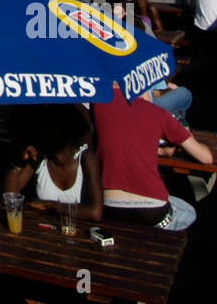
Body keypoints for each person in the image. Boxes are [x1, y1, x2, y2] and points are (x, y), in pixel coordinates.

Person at [92, 84, 214, 231]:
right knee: (188, 212)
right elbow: (206, 158)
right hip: (151, 210)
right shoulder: (159, 113)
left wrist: (162, 153)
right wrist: (186, 132)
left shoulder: (99, 104)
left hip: (109, 206)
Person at [103, 0, 192, 125]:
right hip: (136, 108)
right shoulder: (110, 33)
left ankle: (172, 130)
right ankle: (173, 132)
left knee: (173, 90)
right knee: (184, 94)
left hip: (122, 104)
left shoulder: (135, 25)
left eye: (116, 2)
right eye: (108, 2)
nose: (111, 6)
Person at [3, 106, 103, 222]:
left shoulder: (86, 158)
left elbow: (95, 212)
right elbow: (10, 198)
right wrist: (18, 162)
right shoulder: (41, 157)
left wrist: (51, 205)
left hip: (78, 233)